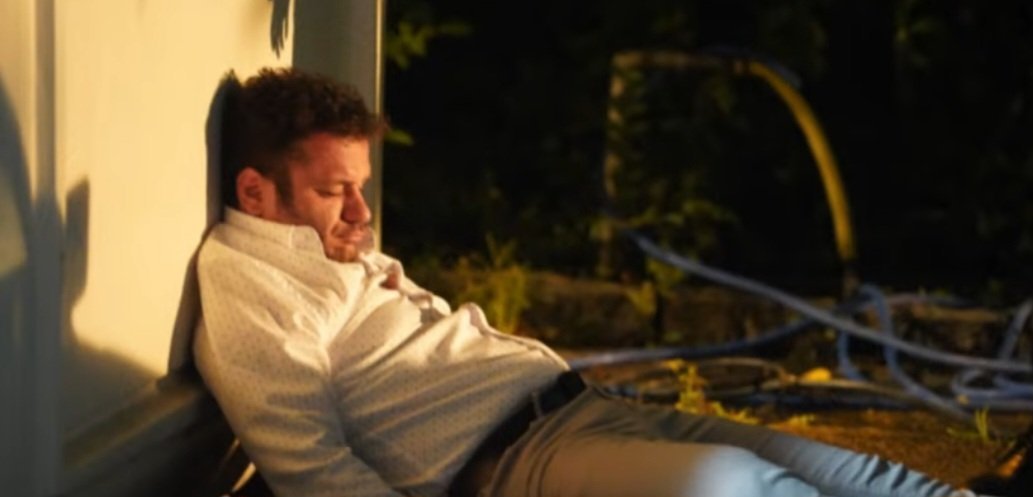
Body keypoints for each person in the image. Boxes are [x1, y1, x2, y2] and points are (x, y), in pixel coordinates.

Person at [194, 67, 988, 497]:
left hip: (581, 407)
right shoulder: (252, 286)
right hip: (514, 464)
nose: (361, 211)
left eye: (361, 186)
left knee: (844, 473)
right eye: (334, 190)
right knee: (730, 486)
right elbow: (313, 466)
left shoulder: (337, 253)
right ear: (255, 191)